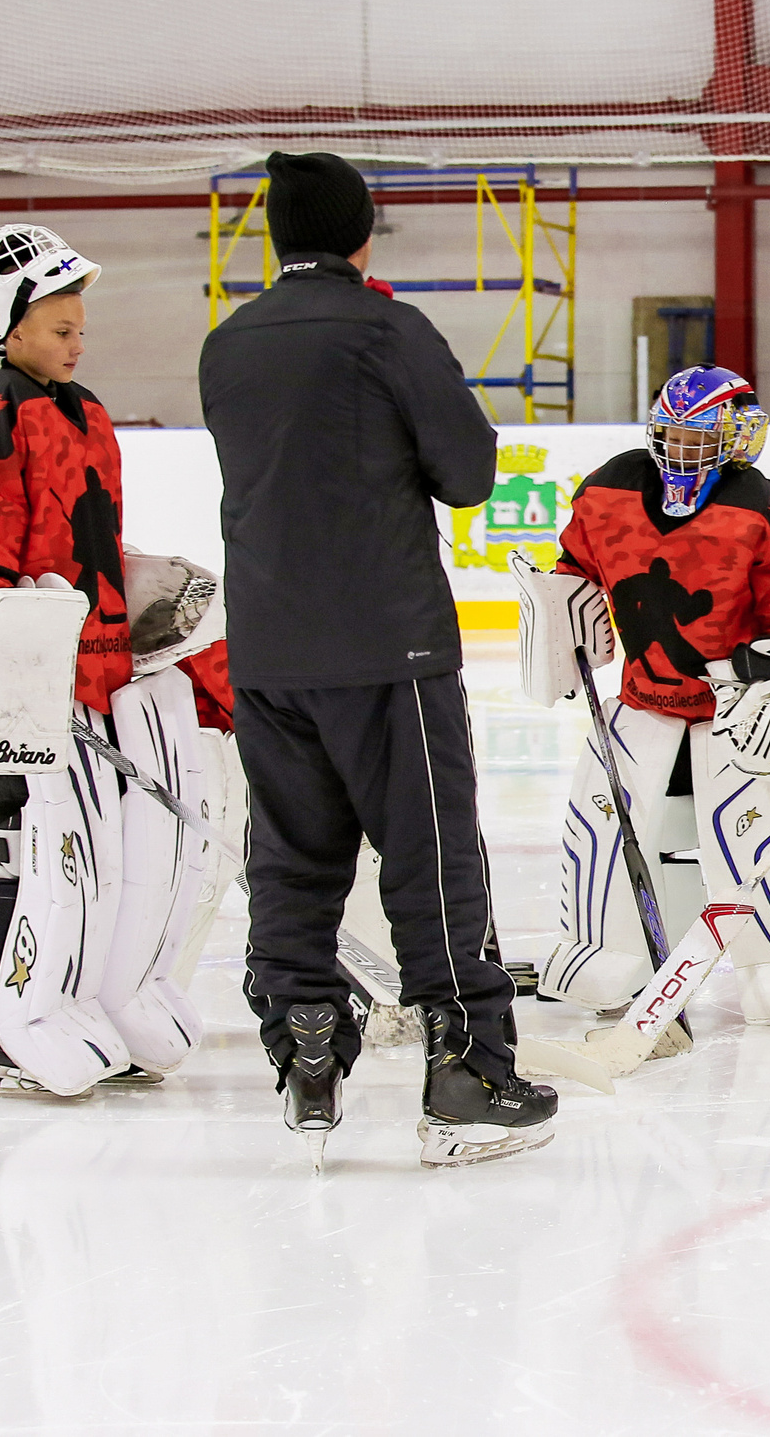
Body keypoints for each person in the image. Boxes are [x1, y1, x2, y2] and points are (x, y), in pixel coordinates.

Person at [199, 150, 554, 1169]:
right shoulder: (386, 328)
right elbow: (469, 472)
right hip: (385, 642)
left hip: (266, 647)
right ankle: (468, 1069)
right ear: (362, 234)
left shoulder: (228, 342)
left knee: (293, 853)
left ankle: (306, 1035)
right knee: (428, 853)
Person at [0, 223, 235, 1098]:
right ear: (5, 325)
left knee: (93, 847)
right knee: (21, 832)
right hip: (11, 672)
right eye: (60, 329)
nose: (78, 342)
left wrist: (138, 598)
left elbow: (83, 538)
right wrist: (14, 649)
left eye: (81, 328)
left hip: (87, 665)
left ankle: (84, 1001)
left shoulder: (81, 409)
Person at [515, 365, 770, 1042]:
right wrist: (559, 616)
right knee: (600, 813)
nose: (679, 450)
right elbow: (577, 571)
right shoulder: (607, 488)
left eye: (698, 437)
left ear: (738, 437)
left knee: (750, 825)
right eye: (671, 434)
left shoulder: (767, 508)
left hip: (736, 698)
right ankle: (601, 950)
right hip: (645, 693)